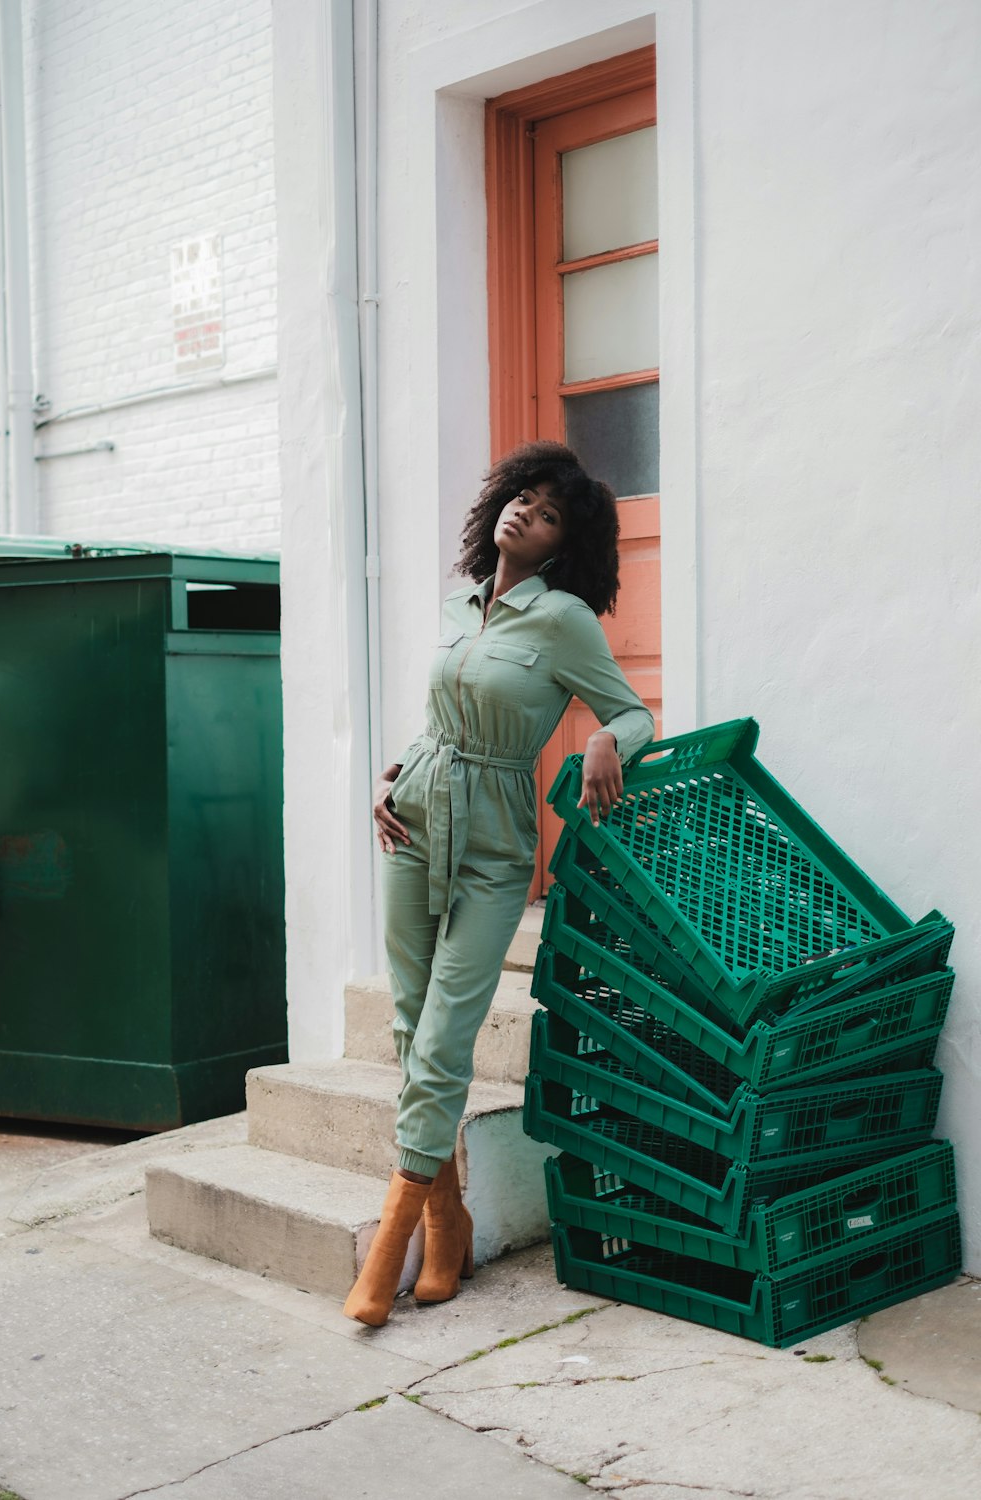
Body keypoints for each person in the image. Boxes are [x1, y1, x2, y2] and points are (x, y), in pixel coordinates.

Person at [343, 441, 655, 1326]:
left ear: (563, 544)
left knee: (444, 1033)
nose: (525, 510)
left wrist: (603, 740)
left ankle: (389, 1244)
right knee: (409, 1022)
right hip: (413, 818)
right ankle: (448, 1222)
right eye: (521, 496)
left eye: (549, 511)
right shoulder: (458, 604)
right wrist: (393, 771)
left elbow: (631, 711)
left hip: (493, 838)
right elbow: (443, 707)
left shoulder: (562, 620)